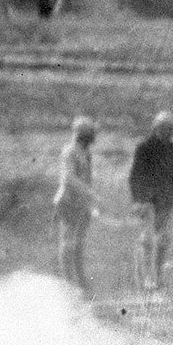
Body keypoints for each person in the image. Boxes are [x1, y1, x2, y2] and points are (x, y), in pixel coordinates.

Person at [128, 112, 173, 291]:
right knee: (147, 241)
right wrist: (138, 199)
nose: (168, 133)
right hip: (148, 200)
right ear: (156, 128)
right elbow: (134, 176)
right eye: (165, 129)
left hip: (166, 199)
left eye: (170, 129)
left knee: (164, 241)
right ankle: (146, 278)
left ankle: (157, 275)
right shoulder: (144, 147)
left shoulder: (171, 147)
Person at [53, 116, 97, 289]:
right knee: (68, 241)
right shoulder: (69, 152)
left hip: (81, 202)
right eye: (89, 135)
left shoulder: (86, 153)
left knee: (79, 241)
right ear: (83, 135)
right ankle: (67, 281)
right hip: (67, 201)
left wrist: (90, 200)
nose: (92, 139)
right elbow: (68, 178)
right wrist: (90, 193)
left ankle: (79, 279)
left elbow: (87, 178)